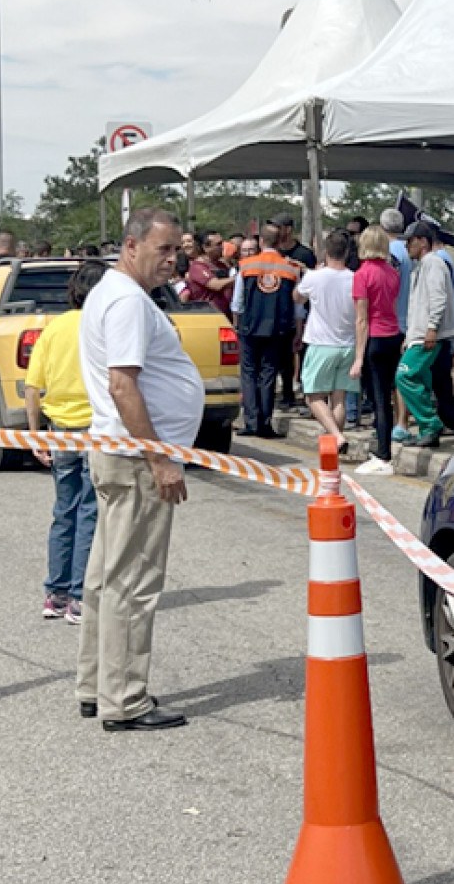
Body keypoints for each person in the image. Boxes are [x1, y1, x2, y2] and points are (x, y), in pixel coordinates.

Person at [76, 208, 201, 731]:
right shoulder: (127, 300)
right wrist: (159, 458)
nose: (172, 260)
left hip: (119, 454)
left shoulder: (115, 293)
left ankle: (96, 685)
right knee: (133, 581)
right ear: (131, 246)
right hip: (133, 459)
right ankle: (124, 699)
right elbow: (123, 385)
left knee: (106, 576)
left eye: (177, 250)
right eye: (162, 249)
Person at [24, 260, 105, 625]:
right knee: (89, 510)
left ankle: (54, 593)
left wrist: (36, 434)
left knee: (63, 511)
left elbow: (32, 386)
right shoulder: (104, 326)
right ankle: (78, 595)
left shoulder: (54, 328)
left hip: (59, 427)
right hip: (95, 427)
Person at [231, 222, 302, 440]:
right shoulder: (291, 268)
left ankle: (251, 421)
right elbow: (298, 307)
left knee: (249, 374)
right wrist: (297, 332)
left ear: (261, 241)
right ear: (280, 242)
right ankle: (265, 422)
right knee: (269, 375)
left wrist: (237, 325)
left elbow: (237, 303)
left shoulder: (245, 265)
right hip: (277, 330)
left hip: (250, 327)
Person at [395, 220, 454, 448]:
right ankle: (426, 430)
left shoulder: (433, 263)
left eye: (410, 242)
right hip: (420, 333)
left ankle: (430, 423)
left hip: (429, 334)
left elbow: (437, 298)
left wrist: (431, 328)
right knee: (421, 379)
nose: (406, 247)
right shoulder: (422, 266)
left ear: (422, 241)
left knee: (404, 376)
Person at [296, 230, 359, 450]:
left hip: (321, 343)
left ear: (325, 251)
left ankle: (336, 437)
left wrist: (311, 273)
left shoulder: (315, 277)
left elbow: (297, 296)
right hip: (348, 343)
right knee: (338, 398)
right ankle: (334, 443)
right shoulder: (354, 278)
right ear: (348, 252)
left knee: (313, 396)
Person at [350, 226, 403, 476]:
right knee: (387, 396)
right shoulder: (393, 273)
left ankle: (383, 453)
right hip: (393, 334)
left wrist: (358, 357)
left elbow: (362, 319)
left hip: (375, 337)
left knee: (379, 398)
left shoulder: (362, 274)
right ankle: (384, 448)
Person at [272, 214, 316, 410]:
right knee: (280, 358)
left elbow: (315, 281)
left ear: (287, 229)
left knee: (303, 356)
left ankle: (307, 396)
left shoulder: (304, 254)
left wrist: (303, 269)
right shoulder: (273, 254)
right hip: (277, 312)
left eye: (278, 227)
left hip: (302, 312)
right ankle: (285, 393)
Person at [185, 230, 235, 319]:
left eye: (222, 243)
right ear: (205, 247)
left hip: (225, 316)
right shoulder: (198, 267)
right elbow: (216, 285)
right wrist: (240, 276)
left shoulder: (222, 265)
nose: (222, 247)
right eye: (218, 244)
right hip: (208, 317)